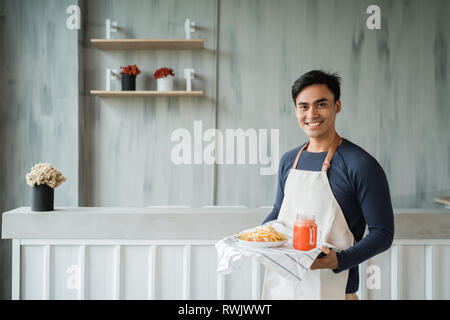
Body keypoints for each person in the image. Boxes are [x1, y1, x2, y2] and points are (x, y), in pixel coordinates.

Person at [261, 70, 394, 300]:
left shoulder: (361, 165)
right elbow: (278, 213)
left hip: (336, 290)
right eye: (303, 106)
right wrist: (256, 237)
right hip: (284, 288)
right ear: (296, 111)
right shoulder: (288, 161)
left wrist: (339, 260)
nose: (311, 114)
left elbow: (383, 233)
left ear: (337, 106)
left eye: (321, 104)